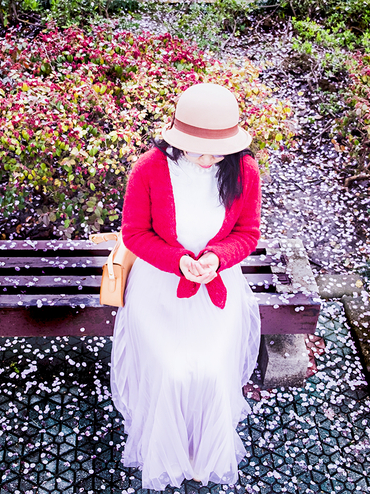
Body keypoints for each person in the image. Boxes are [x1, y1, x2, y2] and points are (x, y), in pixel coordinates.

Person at [110, 83, 262, 490]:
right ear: (177, 138)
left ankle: (203, 452)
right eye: (199, 148)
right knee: (174, 373)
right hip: (159, 284)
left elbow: (247, 232)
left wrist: (217, 258)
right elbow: (135, 234)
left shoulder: (244, 170)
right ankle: (169, 451)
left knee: (211, 372)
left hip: (218, 281)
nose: (210, 158)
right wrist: (179, 261)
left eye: (220, 149)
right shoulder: (149, 168)